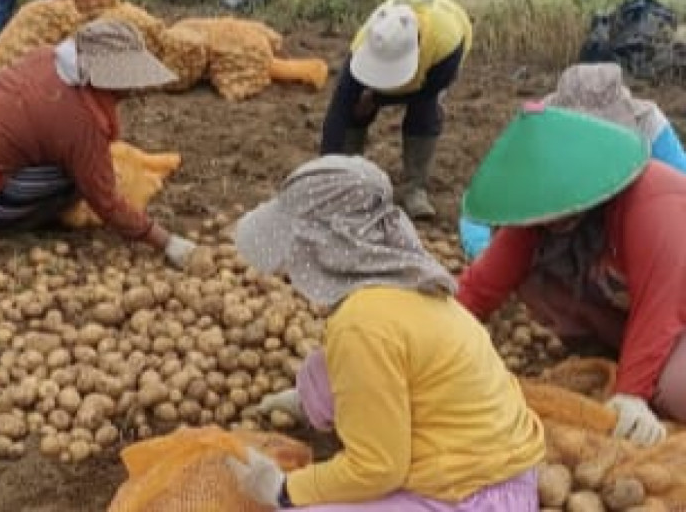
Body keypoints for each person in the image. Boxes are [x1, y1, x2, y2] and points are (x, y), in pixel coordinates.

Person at [227, 155, 544, 510]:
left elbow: (379, 469)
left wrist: (285, 489)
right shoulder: (407, 282)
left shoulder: (362, 324)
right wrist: (308, 399)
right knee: (324, 367)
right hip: (506, 471)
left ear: (322, 246)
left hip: (469, 496)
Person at [459, 103, 686, 446]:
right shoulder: (541, 212)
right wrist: (433, 339)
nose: (549, 221)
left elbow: (662, 303)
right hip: (637, 305)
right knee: (534, 276)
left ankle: (647, 371)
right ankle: (609, 353)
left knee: (676, 391)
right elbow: (480, 287)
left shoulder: (653, 202)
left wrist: (632, 393)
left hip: (675, 306)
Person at [0, 19, 199, 267]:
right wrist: (168, 243)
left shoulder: (46, 57)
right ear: (106, 77)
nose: (134, 88)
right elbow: (105, 202)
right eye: (128, 79)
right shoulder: (80, 122)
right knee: (78, 180)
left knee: (24, 148)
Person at [459, 62, 686, 258]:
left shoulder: (647, 124)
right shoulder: (541, 130)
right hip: (567, 239)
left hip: (630, 230)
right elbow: (480, 209)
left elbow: (681, 190)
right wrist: (485, 252)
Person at [319, 0, 472, 220]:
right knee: (354, 109)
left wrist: (377, 100)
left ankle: (415, 188)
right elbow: (338, 109)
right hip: (402, 19)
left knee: (425, 112)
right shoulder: (366, 43)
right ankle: (345, 177)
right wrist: (324, 172)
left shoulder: (447, 43)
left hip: (443, 42)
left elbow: (426, 92)